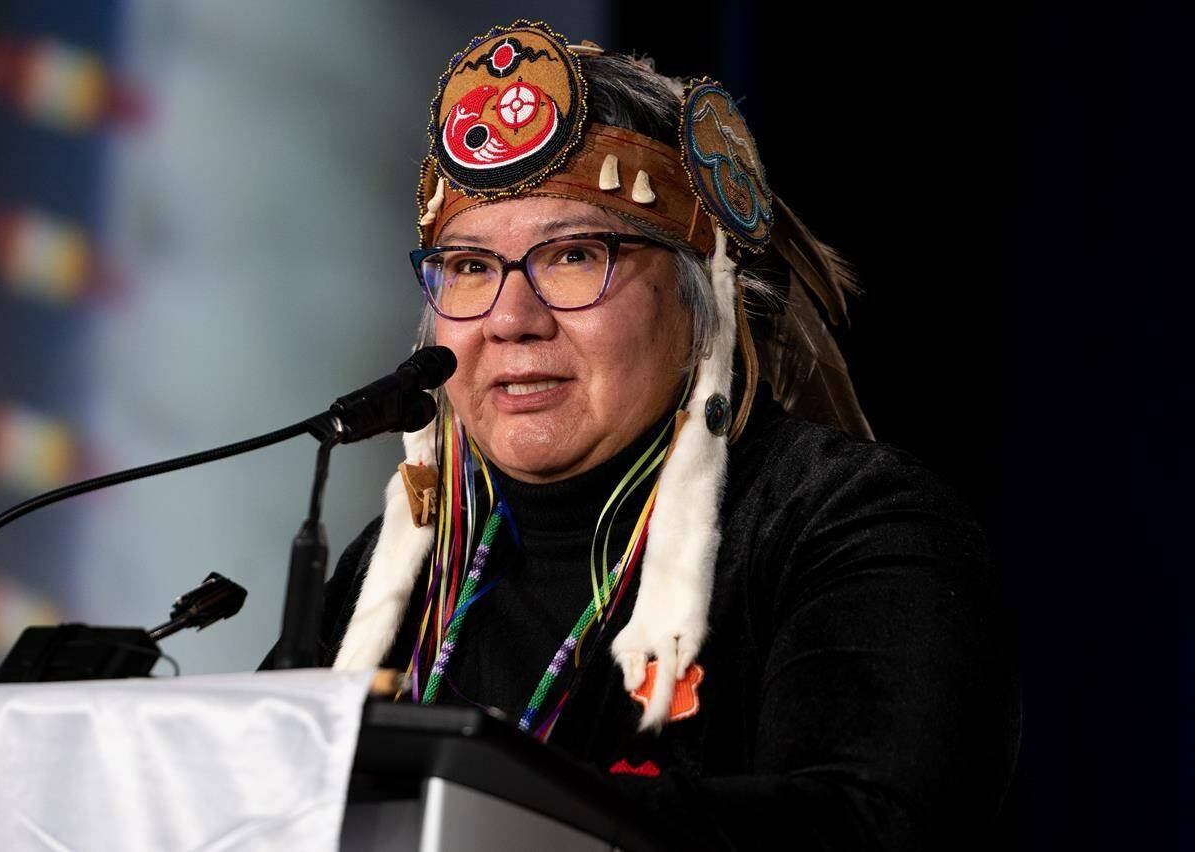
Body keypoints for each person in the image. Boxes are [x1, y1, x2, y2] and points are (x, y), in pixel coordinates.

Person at [318, 21, 1021, 850]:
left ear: (701, 302)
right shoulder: (400, 569)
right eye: (470, 268)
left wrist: (481, 804)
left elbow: (873, 827)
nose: (511, 320)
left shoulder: (847, 524)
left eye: (575, 256)